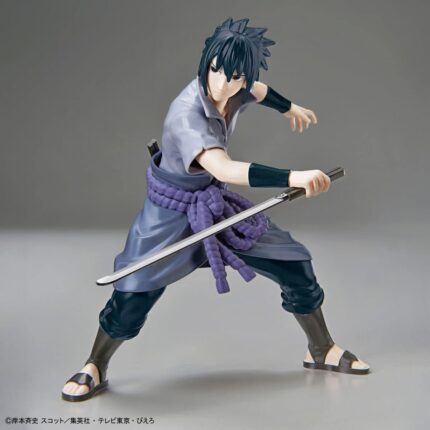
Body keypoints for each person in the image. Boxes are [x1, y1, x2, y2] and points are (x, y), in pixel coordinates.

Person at [62, 17, 369, 402]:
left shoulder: (238, 87)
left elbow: (259, 90)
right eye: (216, 69)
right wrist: (293, 176)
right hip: (169, 215)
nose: (223, 82)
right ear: (206, 61)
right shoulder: (186, 114)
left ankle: (321, 349)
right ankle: (95, 364)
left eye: (235, 75)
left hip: (215, 207)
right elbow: (224, 169)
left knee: (294, 263)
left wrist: (289, 107)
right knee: (132, 293)